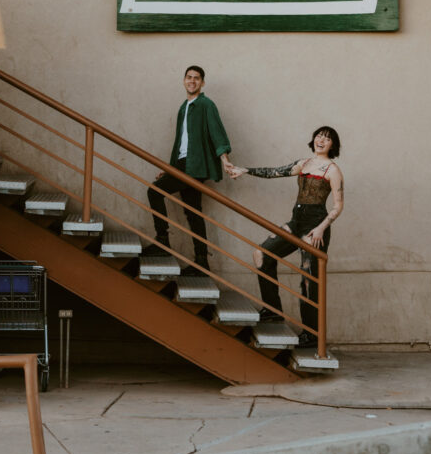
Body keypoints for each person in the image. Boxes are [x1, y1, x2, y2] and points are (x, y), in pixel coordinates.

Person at [227, 126, 344, 348]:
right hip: (296, 221)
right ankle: (272, 311)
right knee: (261, 254)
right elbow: (274, 172)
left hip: (315, 225)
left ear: (332, 145)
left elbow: (338, 206)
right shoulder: (304, 164)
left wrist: (321, 228)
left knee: (309, 281)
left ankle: (311, 335)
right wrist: (244, 170)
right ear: (314, 139)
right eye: (319, 136)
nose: (322, 140)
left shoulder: (333, 170)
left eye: (327, 139)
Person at [147, 65, 232, 273]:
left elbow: (217, 133)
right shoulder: (184, 107)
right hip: (183, 164)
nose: (192, 81)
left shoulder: (206, 105)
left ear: (202, 83)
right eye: (189, 77)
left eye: (196, 78)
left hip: (195, 166)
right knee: (193, 211)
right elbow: (180, 143)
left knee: (154, 191)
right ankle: (202, 261)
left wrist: (225, 159)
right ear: (184, 80)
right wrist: (169, 169)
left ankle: (163, 241)